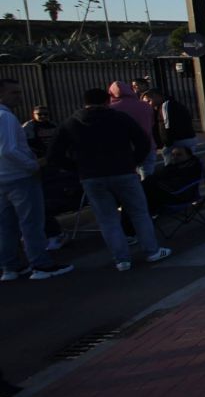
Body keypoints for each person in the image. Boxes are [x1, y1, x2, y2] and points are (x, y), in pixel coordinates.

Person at [48, 88, 172, 272]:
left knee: (107, 219)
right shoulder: (120, 119)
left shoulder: (71, 123)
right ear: (108, 101)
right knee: (139, 212)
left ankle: (121, 259)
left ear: (84, 102)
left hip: (91, 176)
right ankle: (151, 250)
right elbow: (143, 141)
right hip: (123, 171)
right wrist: (133, 161)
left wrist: (77, 168)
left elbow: (54, 154)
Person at [0, 79, 73, 281]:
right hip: (19, 177)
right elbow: (9, 150)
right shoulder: (6, 117)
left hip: (3, 178)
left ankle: (10, 266)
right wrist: (33, 165)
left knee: (6, 225)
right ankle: (41, 264)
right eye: (14, 93)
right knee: (31, 223)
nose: (19, 97)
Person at [22, 105, 74, 251]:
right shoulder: (29, 127)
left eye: (45, 114)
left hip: (54, 163)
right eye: (40, 114)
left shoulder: (54, 125)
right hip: (40, 163)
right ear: (34, 115)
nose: (43, 117)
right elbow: (28, 145)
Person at [108, 80, 157, 176]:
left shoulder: (110, 109)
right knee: (148, 177)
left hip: (124, 149)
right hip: (148, 145)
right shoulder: (145, 106)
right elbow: (151, 124)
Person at [141, 89, 198, 164]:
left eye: (149, 101)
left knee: (173, 164)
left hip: (178, 140)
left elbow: (166, 125)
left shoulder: (165, 106)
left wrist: (166, 143)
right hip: (185, 137)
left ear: (156, 96)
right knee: (187, 163)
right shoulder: (172, 104)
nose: (148, 105)